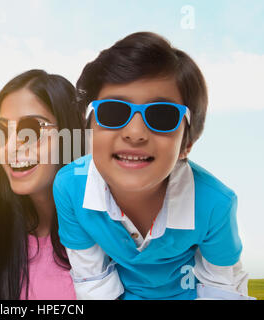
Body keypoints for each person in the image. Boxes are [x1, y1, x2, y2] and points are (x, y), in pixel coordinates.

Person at [53, 32, 254, 300]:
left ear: (187, 144)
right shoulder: (69, 187)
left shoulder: (215, 203)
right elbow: (92, 279)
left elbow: (221, 289)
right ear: (89, 128)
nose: (135, 133)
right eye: (113, 112)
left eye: (162, 116)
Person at [0, 69, 86, 299]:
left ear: (70, 134)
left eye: (33, 129)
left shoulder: (109, 228)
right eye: (1, 132)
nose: (11, 147)